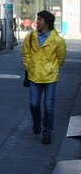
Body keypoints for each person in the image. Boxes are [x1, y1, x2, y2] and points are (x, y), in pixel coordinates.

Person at [23, 10, 66, 145]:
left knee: (49, 106)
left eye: (40, 20)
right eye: (37, 19)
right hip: (34, 75)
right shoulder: (31, 36)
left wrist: (53, 68)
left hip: (50, 77)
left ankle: (47, 132)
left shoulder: (57, 40)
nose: (37, 22)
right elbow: (26, 53)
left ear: (47, 22)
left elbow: (61, 57)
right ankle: (37, 121)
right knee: (34, 104)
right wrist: (29, 66)